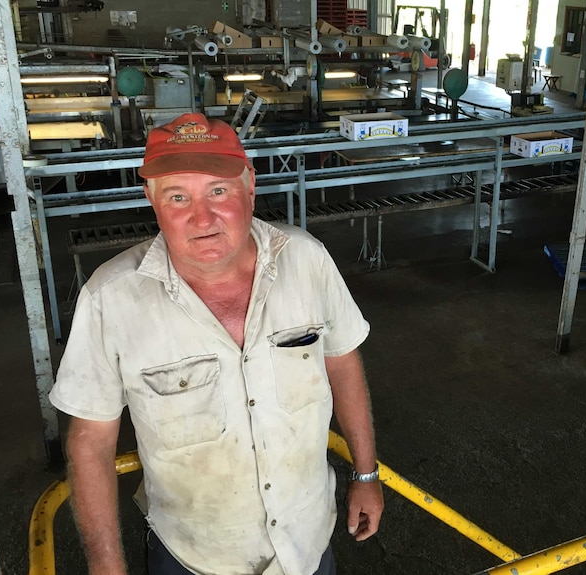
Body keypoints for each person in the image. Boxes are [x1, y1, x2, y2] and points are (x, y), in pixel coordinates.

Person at [49, 112, 383, 575]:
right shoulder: (111, 299)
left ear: (250, 185)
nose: (201, 216)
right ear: (151, 200)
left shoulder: (306, 260)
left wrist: (365, 474)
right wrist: (107, 565)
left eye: (218, 191)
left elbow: (342, 363)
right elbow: (90, 442)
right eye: (177, 196)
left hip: (307, 540)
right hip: (192, 555)